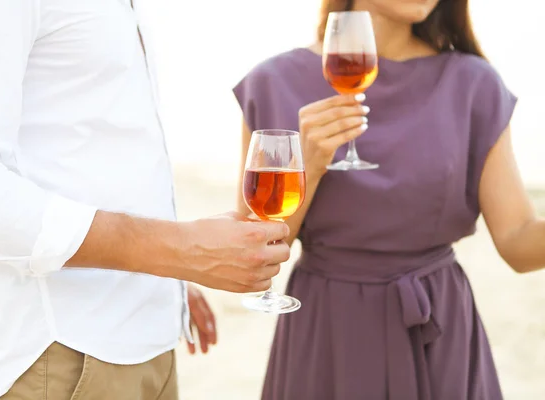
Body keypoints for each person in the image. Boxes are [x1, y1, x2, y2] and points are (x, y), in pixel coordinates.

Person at [0, 1, 292, 399]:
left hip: (143, 343)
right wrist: (178, 250)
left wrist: (161, 280)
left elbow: (91, 145)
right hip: (59, 354)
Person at [233, 0, 545, 399]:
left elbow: (518, 239)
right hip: (329, 331)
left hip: (438, 328)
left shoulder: (473, 83)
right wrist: (308, 165)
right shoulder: (273, 83)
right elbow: (251, 257)